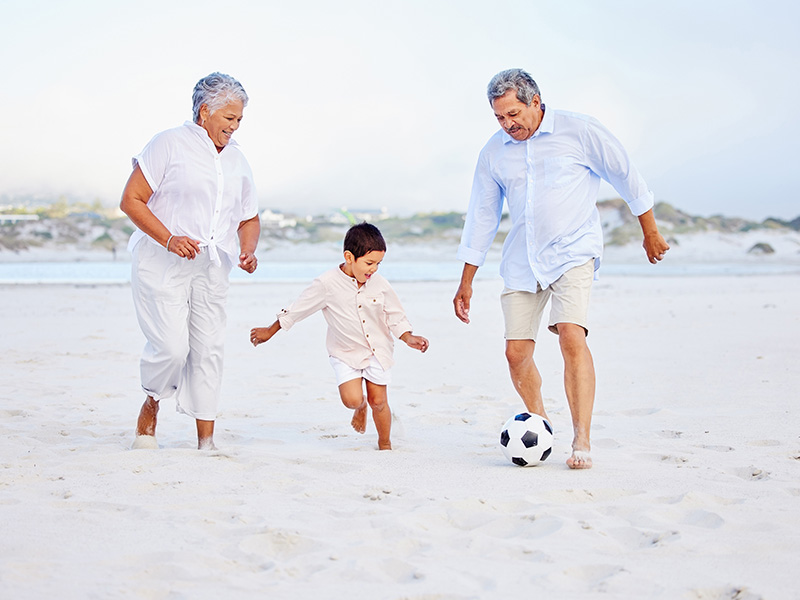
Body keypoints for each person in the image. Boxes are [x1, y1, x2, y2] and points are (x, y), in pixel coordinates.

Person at [453, 68, 670, 469]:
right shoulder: (494, 151)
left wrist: (650, 232)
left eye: (514, 114)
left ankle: (582, 438)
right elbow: (482, 215)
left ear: (536, 102)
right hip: (522, 259)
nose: (508, 124)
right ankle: (542, 422)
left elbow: (626, 176)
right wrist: (466, 280)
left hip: (573, 251)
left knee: (571, 334)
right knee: (516, 353)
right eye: (500, 117)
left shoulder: (580, 131)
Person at [120, 72, 261, 450]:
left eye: (239, 120)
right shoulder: (168, 144)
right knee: (170, 347)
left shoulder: (237, 160)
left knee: (209, 348)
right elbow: (131, 199)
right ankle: (152, 400)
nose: (234, 127)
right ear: (205, 112)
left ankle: (206, 441)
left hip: (213, 266)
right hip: (161, 261)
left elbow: (249, 217)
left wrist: (248, 249)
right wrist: (168, 238)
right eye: (229, 119)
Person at [249, 223, 429, 450]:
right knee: (351, 400)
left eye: (378, 264)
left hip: (377, 350)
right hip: (344, 352)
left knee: (380, 401)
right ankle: (360, 407)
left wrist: (408, 337)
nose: (374, 269)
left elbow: (394, 314)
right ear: (349, 257)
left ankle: (385, 444)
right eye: (369, 263)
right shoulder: (327, 283)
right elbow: (299, 309)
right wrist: (270, 330)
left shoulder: (380, 284)